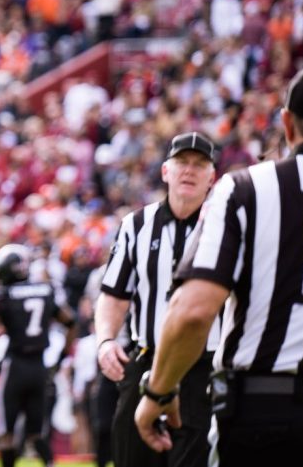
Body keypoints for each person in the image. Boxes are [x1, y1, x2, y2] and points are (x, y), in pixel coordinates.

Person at [135, 59, 303, 466]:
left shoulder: (246, 188)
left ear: (287, 125)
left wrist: (159, 391)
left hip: (264, 413)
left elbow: (193, 311)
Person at [95, 132, 219, 467]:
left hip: (204, 367)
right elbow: (113, 294)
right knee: (130, 456)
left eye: (199, 164)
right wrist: (106, 340)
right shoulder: (136, 225)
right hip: (147, 356)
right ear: (166, 170)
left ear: (213, 177)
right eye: (182, 162)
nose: (189, 171)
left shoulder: (226, 225)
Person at [0, 244, 75, 467]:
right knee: (36, 433)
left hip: (15, 365)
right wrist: (61, 356)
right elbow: (71, 323)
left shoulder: (2, 295)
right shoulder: (45, 290)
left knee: (6, 431)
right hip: (39, 366)